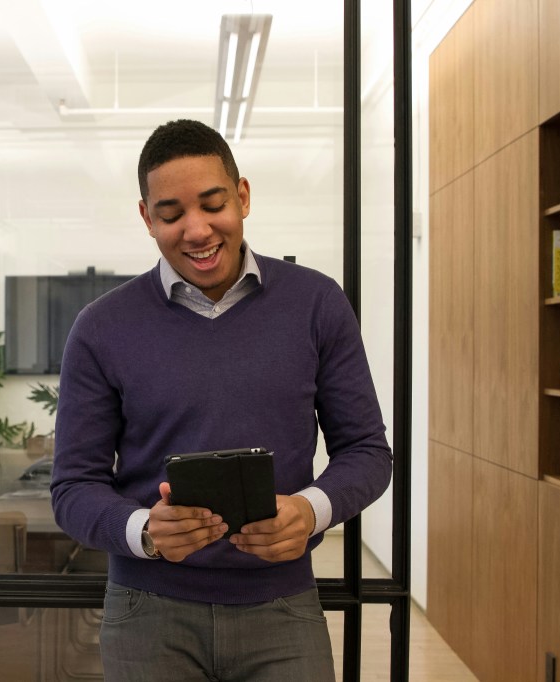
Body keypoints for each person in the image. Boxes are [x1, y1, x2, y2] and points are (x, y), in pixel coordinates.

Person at [50, 119, 393, 681]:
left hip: (282, 608)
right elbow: (72, 489)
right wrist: (143, 531)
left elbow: (367, 453)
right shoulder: (101, 327)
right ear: (146, 218)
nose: (197, 230)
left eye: (213, 204)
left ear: (244, 196)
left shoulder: (317, 303)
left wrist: (310, 511)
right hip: (147, 614)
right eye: (171, 214)